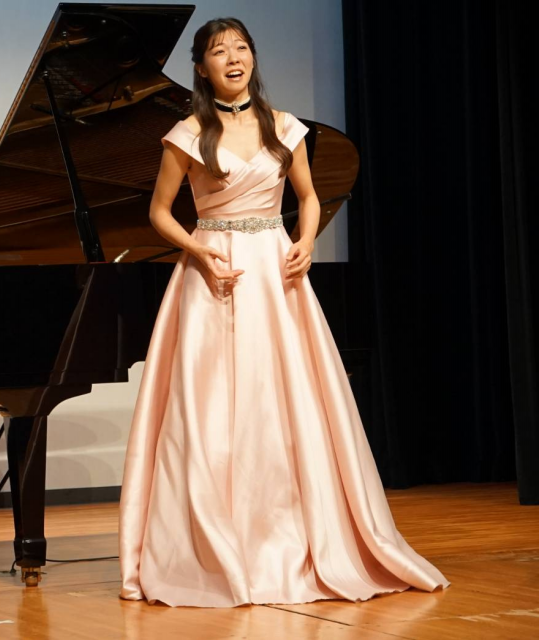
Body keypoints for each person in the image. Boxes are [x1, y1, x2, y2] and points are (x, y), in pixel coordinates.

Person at [118, 18, 449, 607]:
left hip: (275, 270)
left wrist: (307, 240)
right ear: (201, 69)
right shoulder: (188, 134)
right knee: (209, 408)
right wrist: (198, 250)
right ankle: (212, 545)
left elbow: (309, 196)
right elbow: (159, 213)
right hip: (214, 271)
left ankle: (291, 535)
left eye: (241, 47)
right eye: (219, 51)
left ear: (252, 57)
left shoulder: (283, 126)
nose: (233, 58)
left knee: (285, 400)